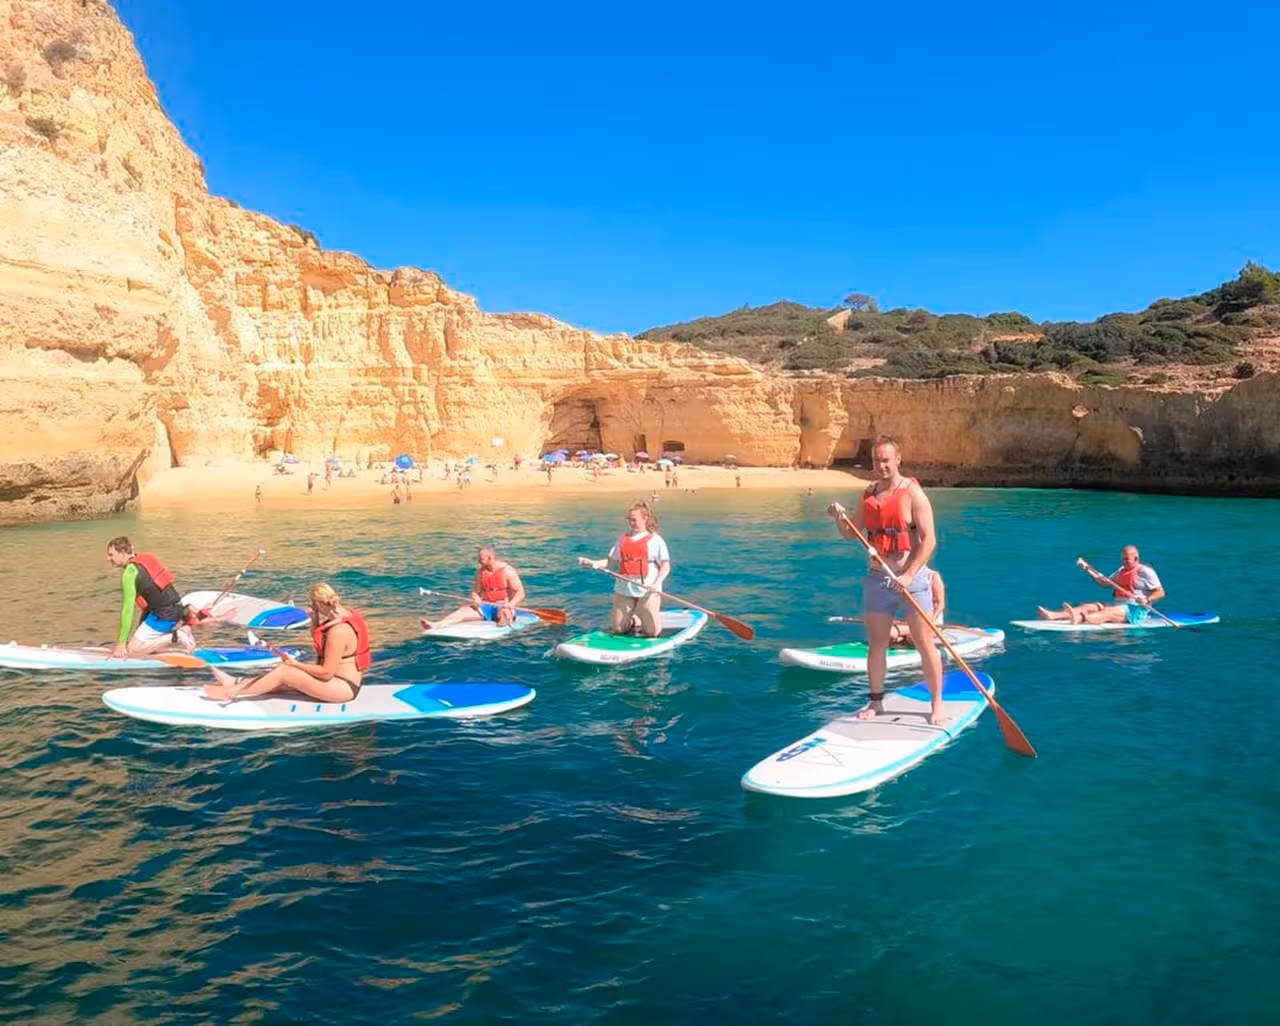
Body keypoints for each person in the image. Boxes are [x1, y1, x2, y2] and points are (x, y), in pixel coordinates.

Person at [826, 435, 946, 725]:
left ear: (897, 460)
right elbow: (850, 532)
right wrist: (837, 518)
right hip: (878, 581)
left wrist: (909, 574)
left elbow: (929, 541)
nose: (880, 465)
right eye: (876, 460)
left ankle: (936, 704)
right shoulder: (868, 494)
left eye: (886, 460)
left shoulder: (913, 493)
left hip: (913, 581)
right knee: (877, 644)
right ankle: (876, 702)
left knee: (924, 642)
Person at [205, 582, 372, 703]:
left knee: (284, 672)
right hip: (333, 682)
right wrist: (314, 618)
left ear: (319, 603)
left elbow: (326, 673)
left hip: (342, 687)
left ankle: (232, 693)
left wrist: (295, 664)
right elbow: (320, 640)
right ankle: (235, 682)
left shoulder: (339, 631)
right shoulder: (345, 615)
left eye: (313, 604)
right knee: (279, 678)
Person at [577, 501, 671, 637]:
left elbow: (665, 566)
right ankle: (634, 620)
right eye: (629, 520)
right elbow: (610, 563)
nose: (631, 523)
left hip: (647, 589)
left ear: (645, 518)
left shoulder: (656, 540)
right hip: (624, 587)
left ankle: (644, 615)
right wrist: (593, 563)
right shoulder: (622, 539)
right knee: (618, 629)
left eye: (634, 520)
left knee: (652, 632)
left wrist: (656, 584)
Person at [105, 537, 195, 656]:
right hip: (177, 608)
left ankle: (177, 636)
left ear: (122, 553)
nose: (108, 558)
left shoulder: (130, 574)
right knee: (146, 646)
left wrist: (121, 643)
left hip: (164, 615)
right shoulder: (147, 559)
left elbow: (127, 610)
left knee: (132, 651)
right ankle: (180, 632)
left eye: (111, 555)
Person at [1037, 546, 1165, 625]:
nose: (1124, 562)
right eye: (1123, 559)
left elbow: (1160, 592)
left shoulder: (1146, 572)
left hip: (1135, 610)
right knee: (1090, 606)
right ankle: (1053, 615)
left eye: (1127, 560)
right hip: (1119, 604)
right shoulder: (1121, 570)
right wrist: (1087, 569)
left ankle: (1081, 619)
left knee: (1107, 612)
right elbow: (1104, 583)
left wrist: (1147, 599)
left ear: (1136, 559)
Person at [420, 547, 528, 629]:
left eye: (481, 559)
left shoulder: (507, 571)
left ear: (490, 558)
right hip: (485, 606)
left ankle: (500, 638)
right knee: (462, 611)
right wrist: (475, 598)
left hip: (503, 606)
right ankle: (437, 624)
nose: (478, 561)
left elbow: (520, 592)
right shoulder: (480, 572)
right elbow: (475, 591)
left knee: (504, 615)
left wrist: (511, 604)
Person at [888, 568, 947, 646]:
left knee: (894, 633)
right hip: (909, 621)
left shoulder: (933, 576)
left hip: (931, 622)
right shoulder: (904, 578)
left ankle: (903, 637)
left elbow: (940, 604)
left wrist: (931, 620)